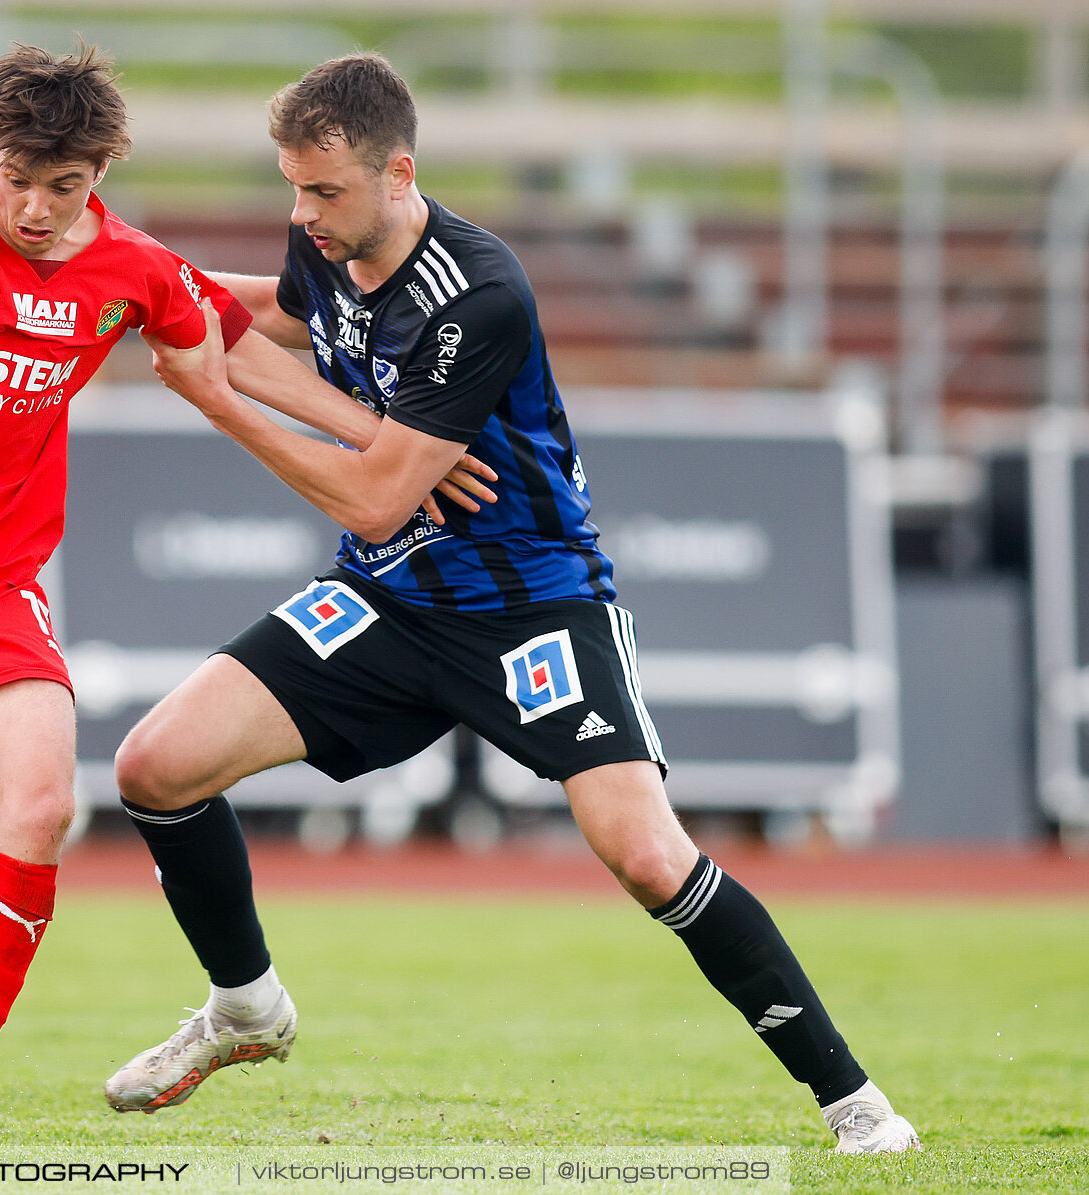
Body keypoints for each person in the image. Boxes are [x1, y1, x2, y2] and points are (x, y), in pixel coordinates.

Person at [104, 53, 920, 1156]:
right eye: (293, 189)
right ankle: (245, 1007)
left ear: (400, 174)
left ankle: (855, 1105)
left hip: (530, 606)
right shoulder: (327, 239)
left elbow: (377, 495)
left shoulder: (479, 293)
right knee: (154, 766)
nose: (303, 214)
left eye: (325, 191)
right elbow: (287, 317)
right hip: (388, 601)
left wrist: (211, 388)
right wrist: (139, 277)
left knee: (645, 855)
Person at [0, 44, 489, 1157]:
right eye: (18, 178)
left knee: (39, 806)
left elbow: (232, 344)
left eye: (62, 187)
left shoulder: (129, 267)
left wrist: (394, 438)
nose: (34, 207)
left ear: (100, 173)